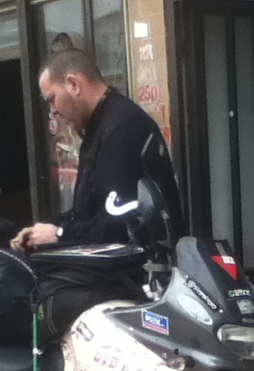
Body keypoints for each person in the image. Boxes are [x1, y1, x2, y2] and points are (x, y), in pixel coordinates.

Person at [10, 49, 182, 252]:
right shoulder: (102, 125)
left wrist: (60, 233)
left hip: (136, 266)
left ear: (73, 84)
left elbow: (122, 224)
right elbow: (87, 212)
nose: (52, 111)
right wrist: (42, 231)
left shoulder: (120, 128)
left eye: (51, 99)